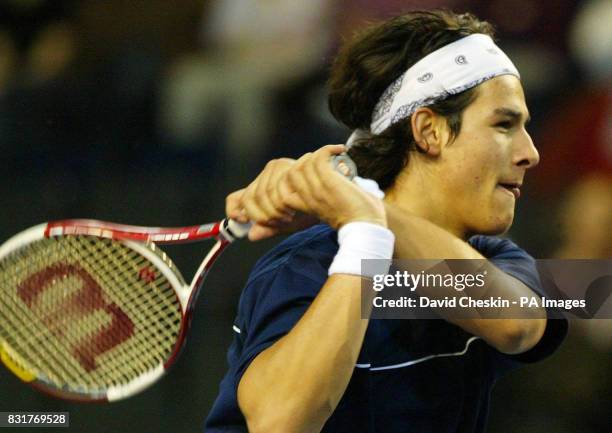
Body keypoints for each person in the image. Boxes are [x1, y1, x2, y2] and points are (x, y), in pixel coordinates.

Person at [204, 10, 567, 433]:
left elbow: (518, 327)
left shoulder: (498, 260)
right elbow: (280, 421)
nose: (531, 153)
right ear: (428, 131)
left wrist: (362, 209)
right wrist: (362, 241)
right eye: (504, 124)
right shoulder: (304, 266)